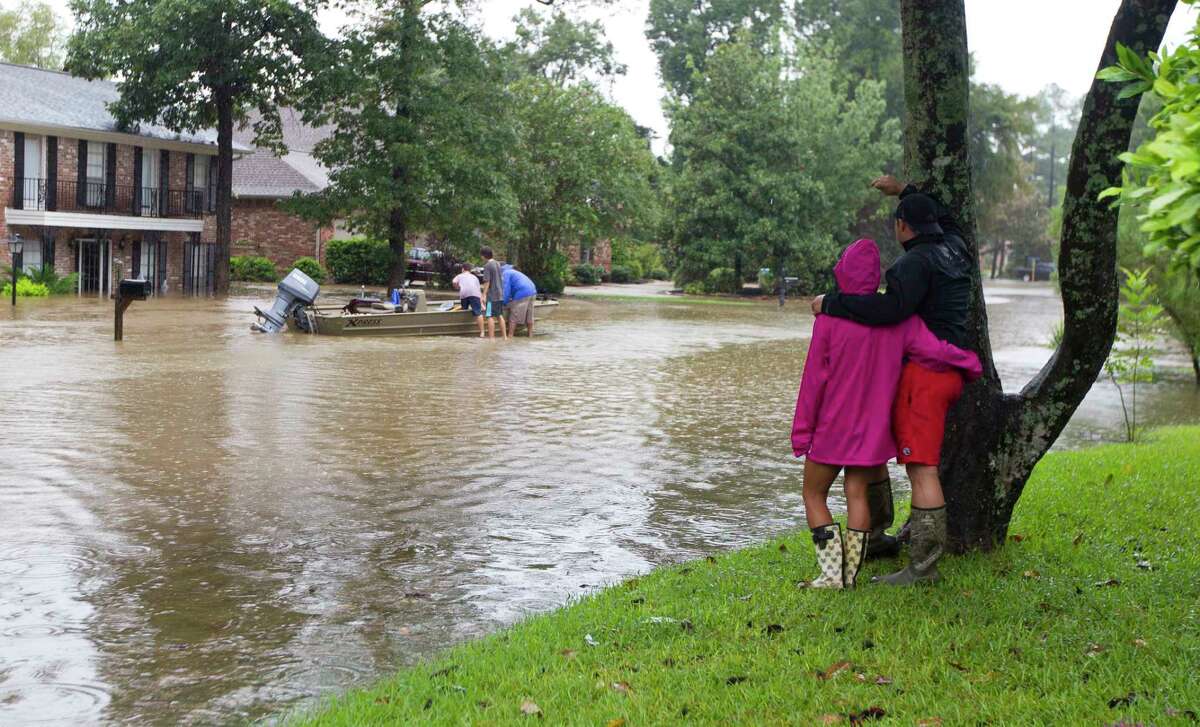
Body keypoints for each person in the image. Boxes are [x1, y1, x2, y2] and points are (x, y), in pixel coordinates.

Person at [811, 175, 975, 585]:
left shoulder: (910, 265)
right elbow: (949, 217)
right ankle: (878, 535)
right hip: (948, 367)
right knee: (876, 445)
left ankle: (923, 567)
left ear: (902, 227)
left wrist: (831, 303)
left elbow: (888, 313)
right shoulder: (957, 248)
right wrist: (903, 190)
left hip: (926, 375)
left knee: (922, 470)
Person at [502, 264, 538, 338]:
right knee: (529, 314)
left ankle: (510, 336)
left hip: (522, 292)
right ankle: (530, 334)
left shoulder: (506, 273)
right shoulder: (516, 273)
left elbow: (506, 289)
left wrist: (504, 302)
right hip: (533, 290)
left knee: (514, 314)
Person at [479, 247, 507, 340]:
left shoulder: (487, 266)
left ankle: (491, 339)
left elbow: (487, 282)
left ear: (483, 256)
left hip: (492, 295)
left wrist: (483, 295)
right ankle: (505, 337)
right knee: (499, 315)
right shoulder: (497, 263)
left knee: (489, 316)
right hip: (500, 294)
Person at [452, 263, 485, 337]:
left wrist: (457, 287)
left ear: (463, 269)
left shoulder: (459, 275)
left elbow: (454, 282)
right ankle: (482, 332)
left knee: (464, 309)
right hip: (474, 294)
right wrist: (482, 303)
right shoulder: (474, 277)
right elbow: (478, 289)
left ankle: (462, 330)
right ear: (470, 270)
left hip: (464, 294)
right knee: (478, 312)